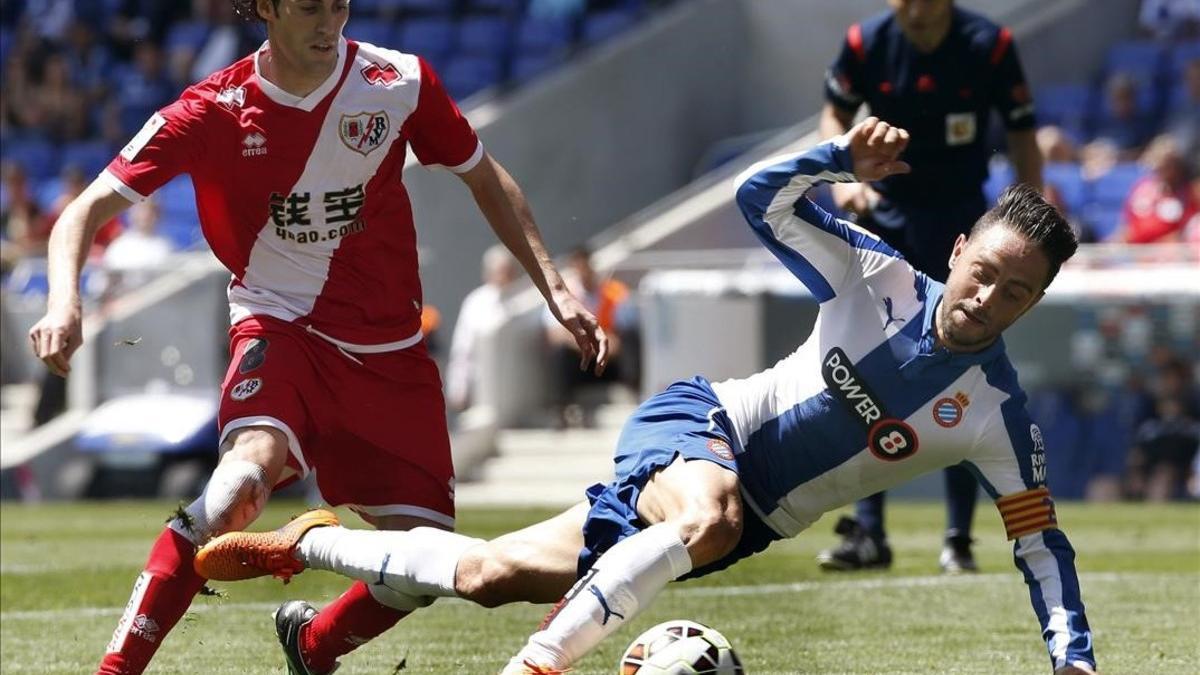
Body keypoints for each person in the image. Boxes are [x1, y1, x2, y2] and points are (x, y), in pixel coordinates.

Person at [196, 118, 1098, 675]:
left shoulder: (996, 414)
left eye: (1016, 291)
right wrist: (836, 156)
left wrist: (1076, 662)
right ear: (958, 253)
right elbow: (761, 197)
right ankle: (536, 666)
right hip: (701, 426)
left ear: (1037, 301)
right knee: (709, 515)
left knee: (488, 575)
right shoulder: (878, 277)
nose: (987, 297)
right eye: (983, 272)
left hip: (740, 526)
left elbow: (1040, 545)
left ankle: (313, 550)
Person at [26, 1, 608, 673]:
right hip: (281, 327)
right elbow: (83, 209)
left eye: (339, 3)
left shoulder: (401, 83)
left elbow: (484, 176)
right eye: (308, 7)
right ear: (267, 8)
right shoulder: (211, 109)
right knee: (237, 484)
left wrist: (557, 290)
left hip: (390, 355)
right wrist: (64, 300)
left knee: (422, 560)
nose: (328, 21)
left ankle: (313, 645)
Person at [818, 0, 1043, 573]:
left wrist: (1027, 224)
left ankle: (958, 540)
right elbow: (833, 115)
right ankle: (868, 533)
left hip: (966, 235)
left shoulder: (989, 46)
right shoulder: (865, 43)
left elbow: (1022, 134)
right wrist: (845, 181)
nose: (914, 9)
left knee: (961, 375)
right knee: (872, 371)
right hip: (886, 223)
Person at [544, 246, 639, 426]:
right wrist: (589, 344)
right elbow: (555, 335)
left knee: (631, 340)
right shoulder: (564, 296)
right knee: (559, 354)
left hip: (610, 360)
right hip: (582, 360)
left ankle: (634, 392)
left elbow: (623, 332)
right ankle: (561, 409)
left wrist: (603, 347)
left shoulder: (612, 292)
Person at [445, 244, 521, 412]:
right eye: (500, 271)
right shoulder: (476, 302)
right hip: (481, 386)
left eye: (507, 271)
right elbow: (463, 347)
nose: (504, 276)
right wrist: (458, 387)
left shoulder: (524, 297)